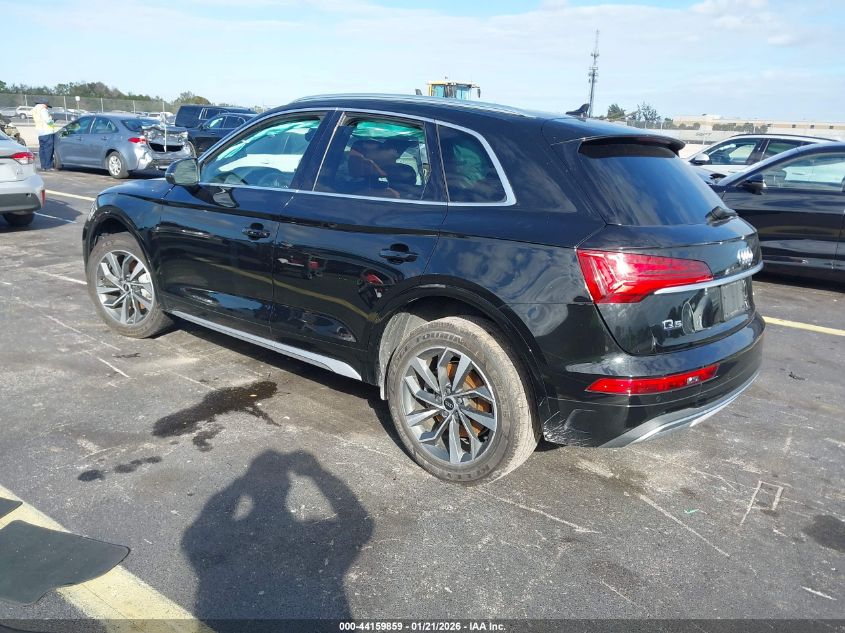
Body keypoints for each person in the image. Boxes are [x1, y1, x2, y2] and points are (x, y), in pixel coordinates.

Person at [32, 101, 55, 170]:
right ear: (44, 104)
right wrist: (53, 120)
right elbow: (48, 121)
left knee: (42, 150)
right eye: (47, 106)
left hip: (40, 132)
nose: (47, 107)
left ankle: (43, 166)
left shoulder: (35, 110)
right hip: (47, 132)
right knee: (48, 150)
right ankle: (48, 166)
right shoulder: (43, 110)